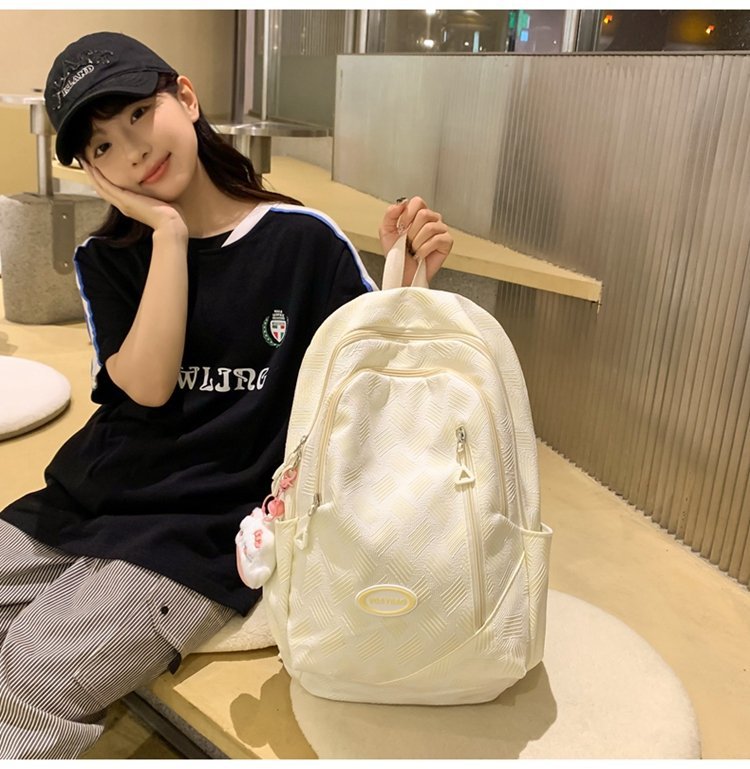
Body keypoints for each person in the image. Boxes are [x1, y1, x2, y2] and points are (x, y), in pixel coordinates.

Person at [0, 31, 453, 758]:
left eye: (138, 113)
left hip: (202, 524)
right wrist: (167, 236)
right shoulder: (107, 258)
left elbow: (370, 379)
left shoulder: (302, 242)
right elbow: (146, 388)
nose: (133, 151)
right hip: (91, 497)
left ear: (185, 96)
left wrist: (413, 277)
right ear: (92, 171)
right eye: (103, 146)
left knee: (29, 675)